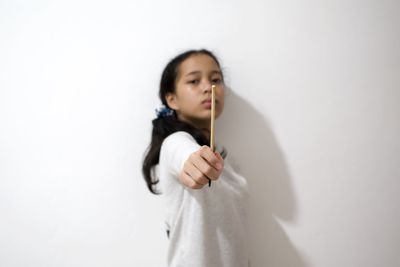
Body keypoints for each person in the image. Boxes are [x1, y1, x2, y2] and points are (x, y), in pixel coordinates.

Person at [142, 49, 250, 267]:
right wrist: (192, 160)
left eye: (215, 79)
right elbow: (181, 153)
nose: (207, 88)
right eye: (194, 81)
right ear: (172, 99)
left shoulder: (230, 163)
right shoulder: (175, 142)